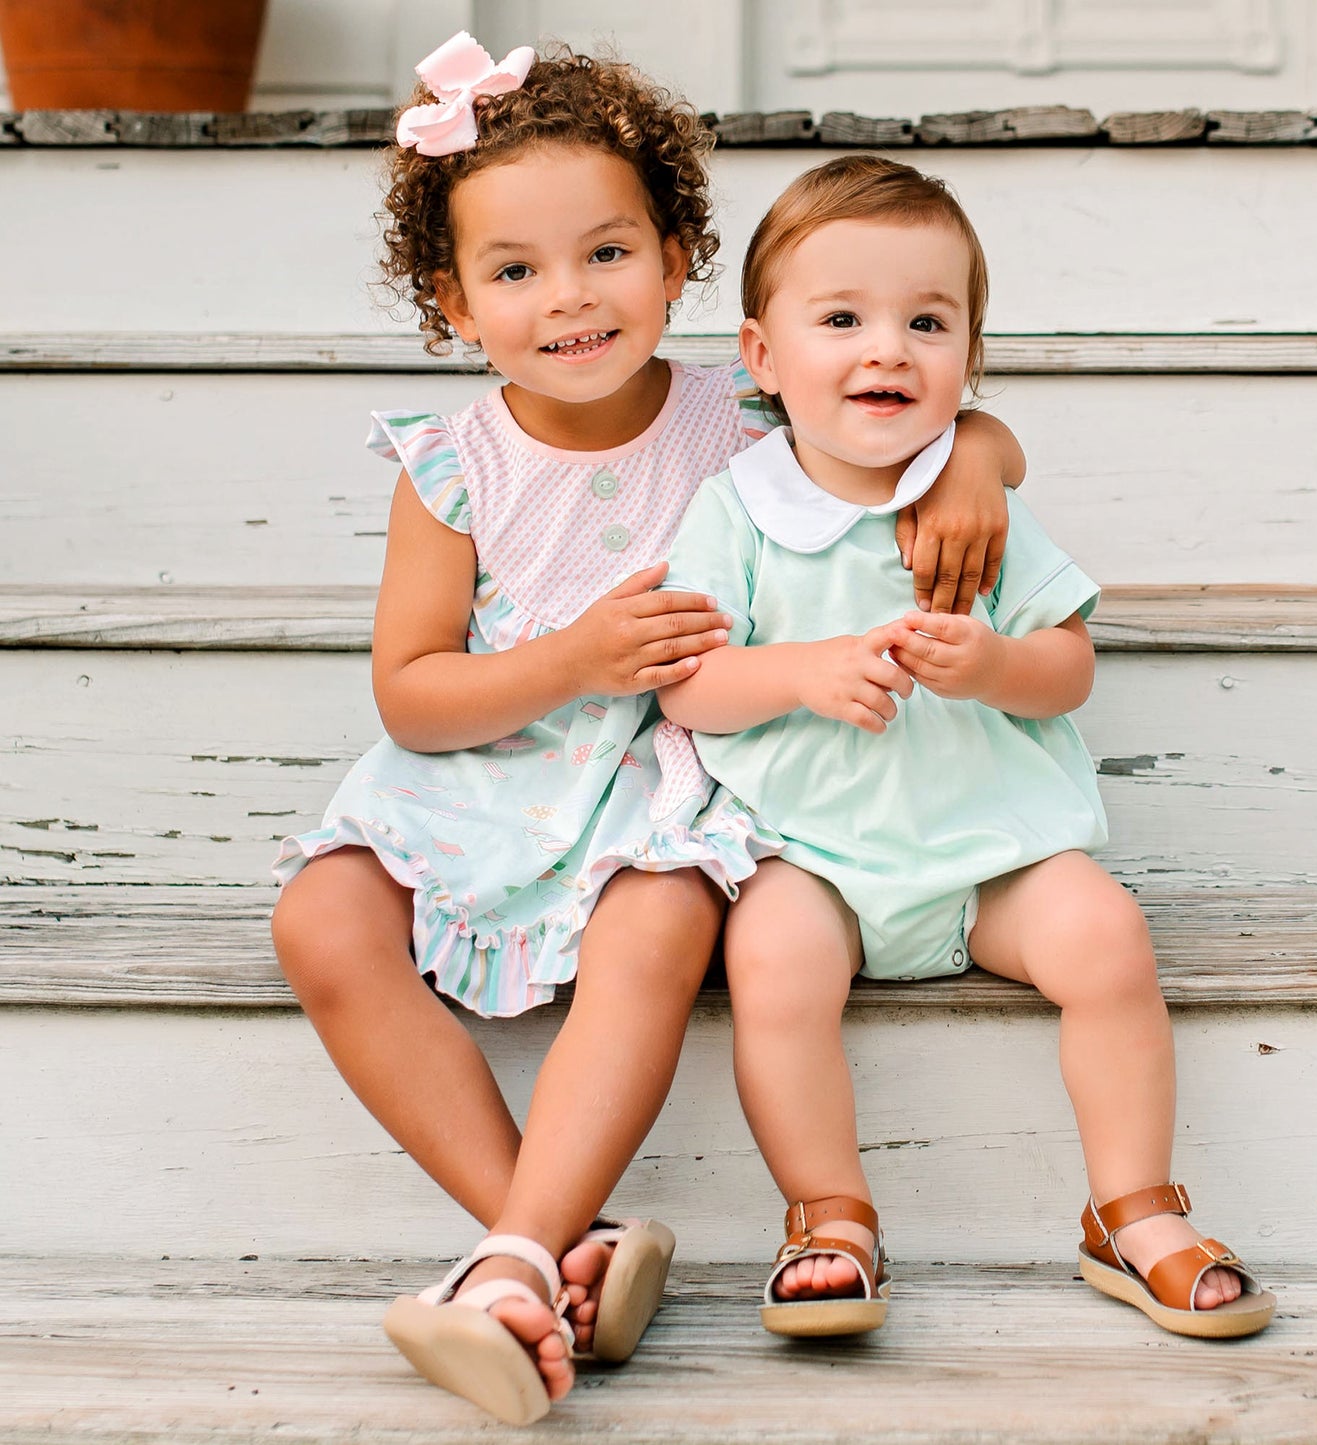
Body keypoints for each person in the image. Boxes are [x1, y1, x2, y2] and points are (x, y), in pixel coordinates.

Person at [269, 36, 1028, 1425]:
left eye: (606, 252)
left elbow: (903, 418)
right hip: (495, 758)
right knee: (320, 920)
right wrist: (566, 656)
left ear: (680, 255)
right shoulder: (453, 467)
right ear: (449, 299)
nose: (567, 299)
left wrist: (973, 450)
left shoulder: (738, 411)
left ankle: (511, 1269)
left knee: (664, 926)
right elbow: (410, 690)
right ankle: (550, 1242)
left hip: (666, 772)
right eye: (512, 272)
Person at [659, 154, 1277, 1344]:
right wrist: (799, 669)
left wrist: (994, 668)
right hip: (815, 856)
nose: (886, 349)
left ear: (969, 358)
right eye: (840, 318)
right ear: (761, 356)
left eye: (925, 322)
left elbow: (1067, 657)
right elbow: (688, 686)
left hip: (988, 856)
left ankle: (1130, 1205)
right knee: (773, 963)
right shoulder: (738, 508)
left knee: (1104, 934)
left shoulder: (973, 499)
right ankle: (828, 1210)